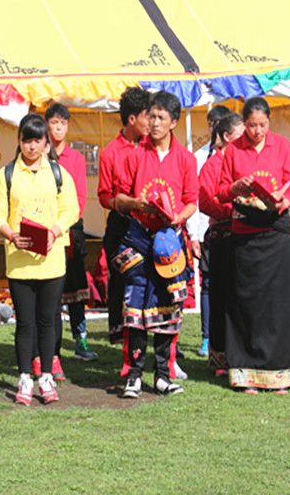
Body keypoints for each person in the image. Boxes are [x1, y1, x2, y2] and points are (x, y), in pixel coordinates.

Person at [216, 96, 290, 394]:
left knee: (277, 302)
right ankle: (246, 373)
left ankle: (281, 372)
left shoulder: (282, 146)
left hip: (275, 231)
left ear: (269, 122)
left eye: (262, 125)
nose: (257, 131)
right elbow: (220, 191)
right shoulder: (233, 150)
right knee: (247, 300)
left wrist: (284, 199)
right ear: (244, 124)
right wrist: (235, 188)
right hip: (245, 232)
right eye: (252, 126)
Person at [0, 114, 78, 405]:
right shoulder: (6, 175)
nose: (31, 146)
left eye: (37, 140)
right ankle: (25, 377)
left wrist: (55, 231)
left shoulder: (58, 173)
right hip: (19, 262)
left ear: (45, 143)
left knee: (47, 321)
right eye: (26, 140)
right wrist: (10, 234)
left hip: (51, 261)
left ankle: (47, 376)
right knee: (25, 323)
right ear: (19, 141)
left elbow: (71, 209)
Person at [115, 90, 197, 398]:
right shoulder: (135, 154)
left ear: (174, 122)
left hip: (170, 241)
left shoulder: (186, 159)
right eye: (151, 116)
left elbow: (191, 201)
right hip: (139, 237)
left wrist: (178, 217)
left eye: (161, 117)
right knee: (135, 309)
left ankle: (163, 375)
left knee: (168, 308)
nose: (154, 122)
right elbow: (118, 198)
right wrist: (135, 203)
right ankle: (133, 375)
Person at [97, 88, 151, 346]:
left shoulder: (153, 148)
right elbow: (103, 195)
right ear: (132, 119)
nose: (151, 122)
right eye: (147, 116)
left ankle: (160, 333)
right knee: (120, 279)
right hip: (122, 224)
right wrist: (121, 202)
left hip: (150, 222)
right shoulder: (110, 153)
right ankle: (121, 334)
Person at [45, 103, 95, 372]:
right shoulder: (40, 154)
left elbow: (81, 195)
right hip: (46, 228)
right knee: (51, 287)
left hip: (72, 227)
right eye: (54, 123)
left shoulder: (75, 157)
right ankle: (50, 347)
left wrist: (66, 222)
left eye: (63, 123)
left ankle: (81, 339)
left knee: (76, 287)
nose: (58, 128)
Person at [197, 112, 244, 375]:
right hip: (222, 237)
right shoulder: (212, 166)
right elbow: (206, 202)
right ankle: (220, 357)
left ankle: (241, 353)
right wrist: (233, 209)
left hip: (244, 237)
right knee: (221, 298)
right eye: (240, 135)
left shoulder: (242, 161)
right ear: (226, 136)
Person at [186, 104, 231, 359]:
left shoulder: (237, 156)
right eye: (213, 124)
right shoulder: (199, 157)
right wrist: (193, 234)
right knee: (208, 284)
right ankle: (206, 337)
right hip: (206, 228)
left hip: (232, 228)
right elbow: (193, 198)